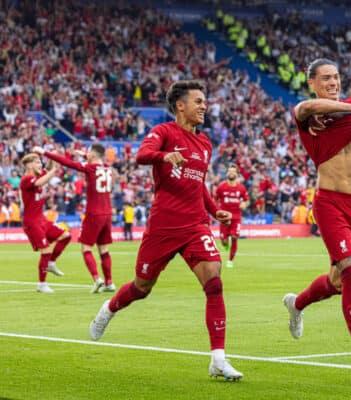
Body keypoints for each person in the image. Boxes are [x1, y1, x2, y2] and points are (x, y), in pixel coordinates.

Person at [89, 80, 243, 381]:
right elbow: (141, 155)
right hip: (163, 226)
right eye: (198, 101)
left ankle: (218, 359)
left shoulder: (206, 143)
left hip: (196, 225)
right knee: (141, 288)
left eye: (205, 101)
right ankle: (109, 308)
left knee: (214, 282)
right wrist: (164, 156)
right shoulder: (163, 132)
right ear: (180, 105)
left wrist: (214, 211)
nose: (204, 106)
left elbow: (198, 185)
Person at [282, 58, 351, 380]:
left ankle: (297, 304)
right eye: (326, 79)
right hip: (330, 203)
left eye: (336, 77)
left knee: (335, 281)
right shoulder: (308, 114)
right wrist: (341, 111)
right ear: (313, 83)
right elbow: (305, 110)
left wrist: (342, 110)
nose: (334, 82)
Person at [34, 144, 116, 293]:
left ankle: (97, 279)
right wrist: (85, 155)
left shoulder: (90, 169)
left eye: (89, 151)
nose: (87, 153)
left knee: (86, 248)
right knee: (104, 249)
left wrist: (44, 152)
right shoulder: (107, 168)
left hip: (94, 213)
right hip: (107, 213)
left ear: (93, 155)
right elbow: (96, 161)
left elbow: (68, 163)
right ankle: (109, 282)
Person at [19, 154, 71, 293]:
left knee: (66, 236)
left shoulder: (37, 175)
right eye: (37, 163)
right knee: (46, 251)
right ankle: (42, 284)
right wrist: (54, 171)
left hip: (42, 219)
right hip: (32, 222)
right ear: (29, 165)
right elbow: (40, 182)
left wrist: (51, 156)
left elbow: (46, 168)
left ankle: (52, 263)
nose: (40, 165)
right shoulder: (26, 179)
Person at [215, 164, 249, 268]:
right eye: (229, 171)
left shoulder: (241, 188)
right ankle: (226, 245)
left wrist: (244, 204)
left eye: (233, 171)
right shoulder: (221, 187)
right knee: (224, 241)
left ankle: (230, 261)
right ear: (226, 174)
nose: (231, 173)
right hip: (224, 218)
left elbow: (246, 200)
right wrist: (217, 211)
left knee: (234, 237)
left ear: (237, 174)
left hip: (236, 218)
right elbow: (215, 200)